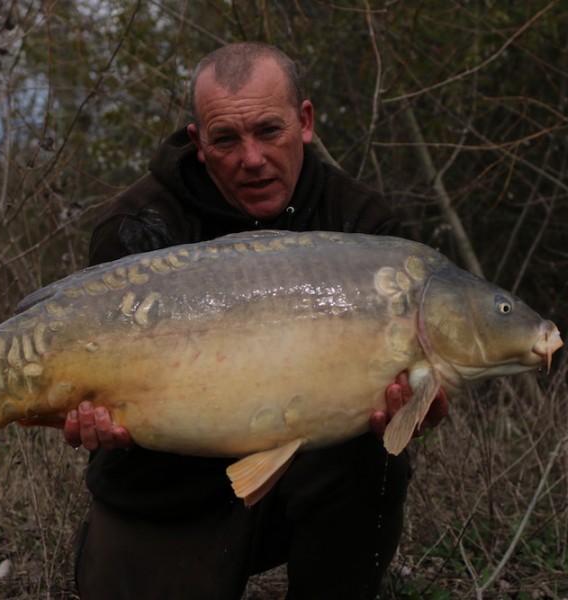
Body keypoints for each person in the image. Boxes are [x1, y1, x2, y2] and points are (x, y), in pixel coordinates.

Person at [63, 42, 448, 600]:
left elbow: (413, 392)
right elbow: (91, 383)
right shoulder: (138, 226)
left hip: (305, 482)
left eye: (269, 131)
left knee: (372, 459)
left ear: (305, 122)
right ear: (198, 143)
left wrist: (416, 406)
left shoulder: (363, 229)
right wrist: (86, 415)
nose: (252, 158)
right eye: (226, 139)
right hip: (165, 492)